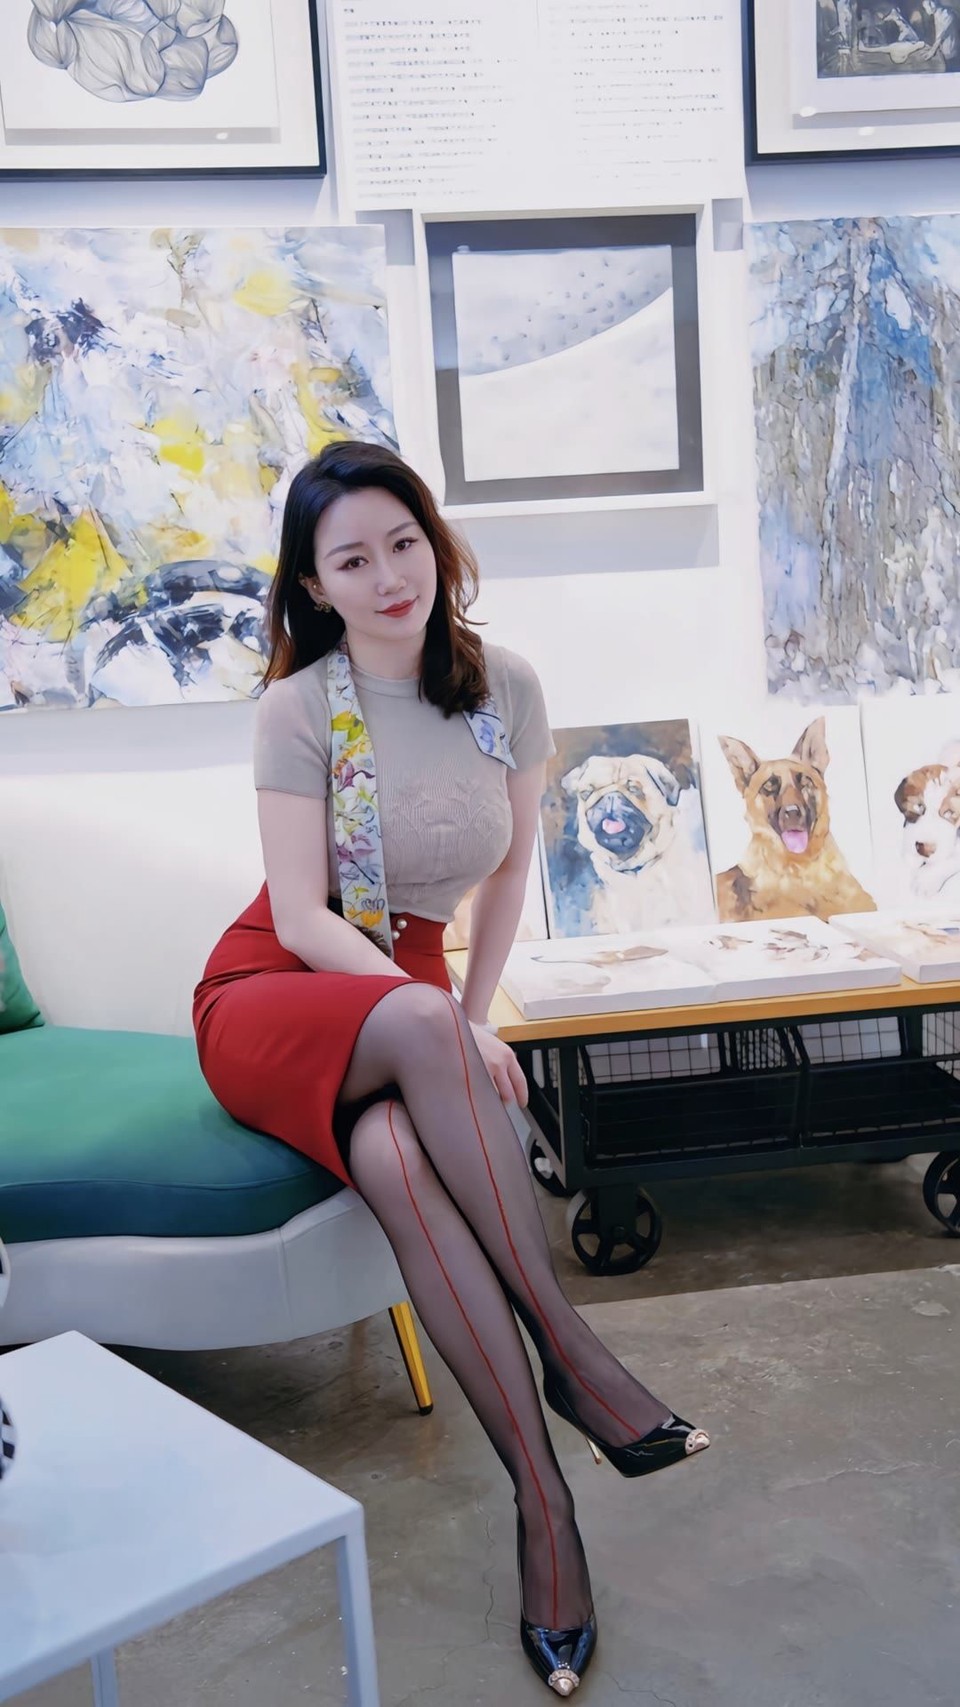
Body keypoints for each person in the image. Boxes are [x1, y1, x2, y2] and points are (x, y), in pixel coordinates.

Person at [193, 442, 709, 1698]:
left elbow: (513, 872)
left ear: (436, 542)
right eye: (351, 560)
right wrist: (446, 1024)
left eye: (404, 543)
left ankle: (547, 1512)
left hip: (413, 997)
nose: (388, 577)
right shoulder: (299, 709)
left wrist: (470, 1020)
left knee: (398, 1158)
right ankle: (577, 1357)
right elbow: (303, 918)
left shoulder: (503, 688)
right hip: (277, 987)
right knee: (422, 1037)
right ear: (313, 585)